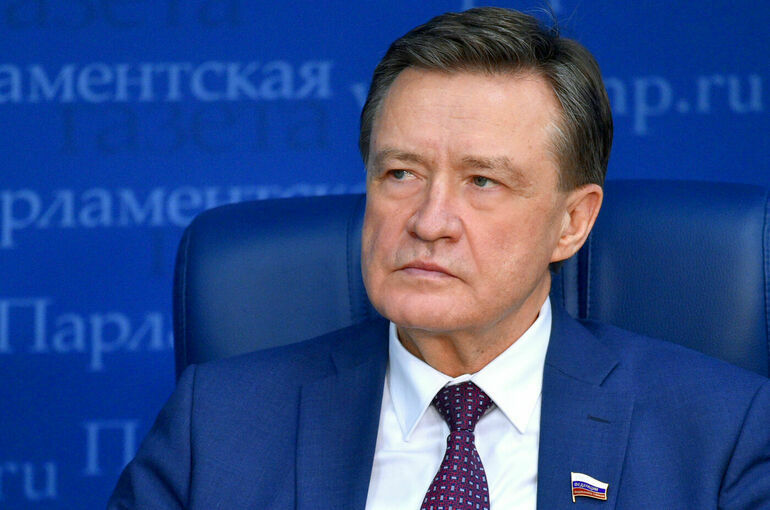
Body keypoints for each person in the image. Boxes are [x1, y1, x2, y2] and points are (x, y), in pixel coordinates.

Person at [108, 7, 770, 509]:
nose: (427, 222)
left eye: (482, 181)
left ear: (572, 223)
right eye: (401, 173)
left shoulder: (719, 436)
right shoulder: (216, 426)